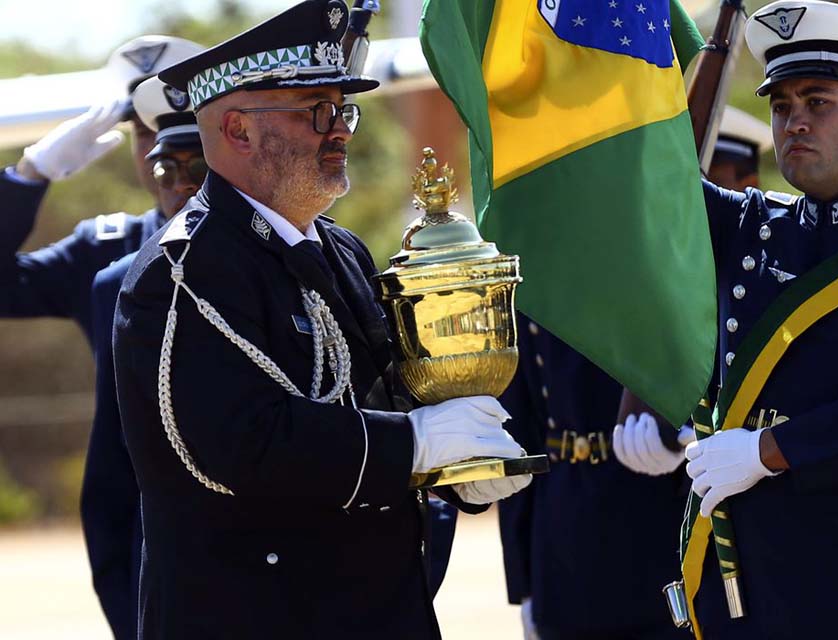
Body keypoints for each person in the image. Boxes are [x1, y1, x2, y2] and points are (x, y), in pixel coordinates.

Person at [113, 2, 530, 637]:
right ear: (238, 131)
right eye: (317, 112)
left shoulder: (339, 249)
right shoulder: (183, 271)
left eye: (345, 111)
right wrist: (416, 444)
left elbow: (383, 394)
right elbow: (236, 446)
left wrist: (452, 468)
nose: (339, 130)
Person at [618, 2, 838, 638]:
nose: (795, 122)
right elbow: (646, 179)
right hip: (752, 579)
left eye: (819, 102)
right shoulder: (745, 225)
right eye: (782, 107)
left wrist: (768, 451)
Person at [498, 109, 772, 640]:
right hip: (566, 536)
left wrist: (684, 439)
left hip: (662, 529)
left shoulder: (735, 289)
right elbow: (523, 428)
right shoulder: (560, 271)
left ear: (746, 187)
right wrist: (525, 581)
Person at [81, 74, 207, 640]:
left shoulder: (313, 256)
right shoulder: (115, 282)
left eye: (198, 169)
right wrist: (29, 177)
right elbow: (111, 474)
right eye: (164, 169)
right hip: (170, 586)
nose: (179, 185)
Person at [0, 35, 203, 345]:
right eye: (143, 130)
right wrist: (30, 174)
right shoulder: (104, 250)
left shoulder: (282, 234)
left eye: (176, 130)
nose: (160, 149)